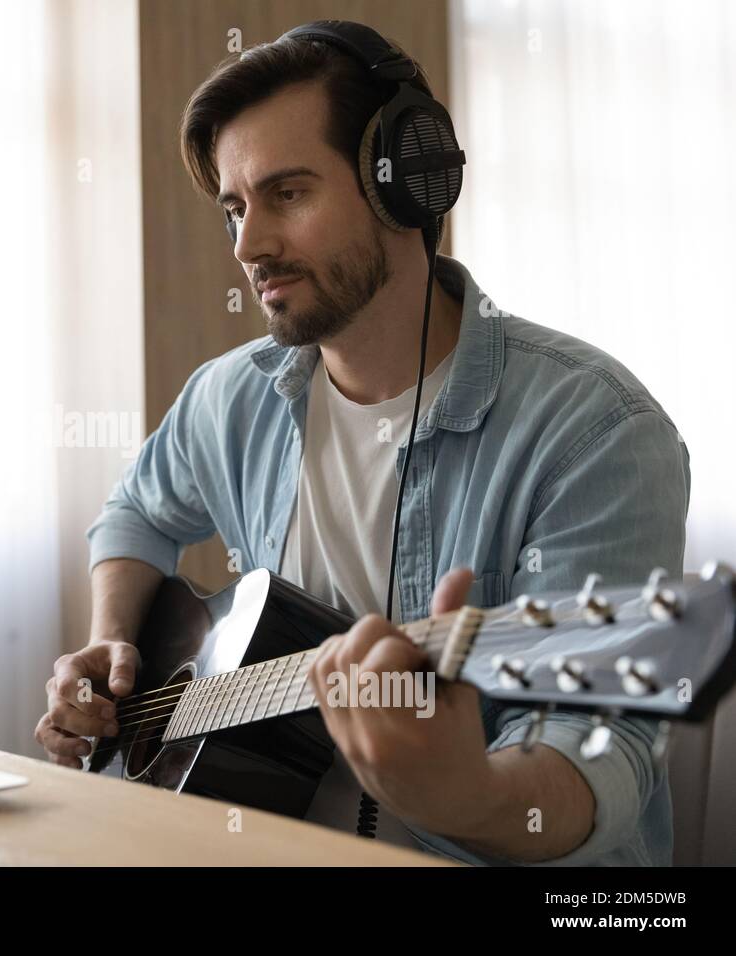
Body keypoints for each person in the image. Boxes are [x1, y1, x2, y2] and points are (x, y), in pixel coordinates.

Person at [35, 24, 689, 865]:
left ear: (404, 189)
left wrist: (467, 796)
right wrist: (114, 648)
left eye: (287, 194)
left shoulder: (595, 431)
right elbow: (132, 516)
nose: (247, 245)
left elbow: (599, 753)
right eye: (235, 208)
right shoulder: (230, 397)